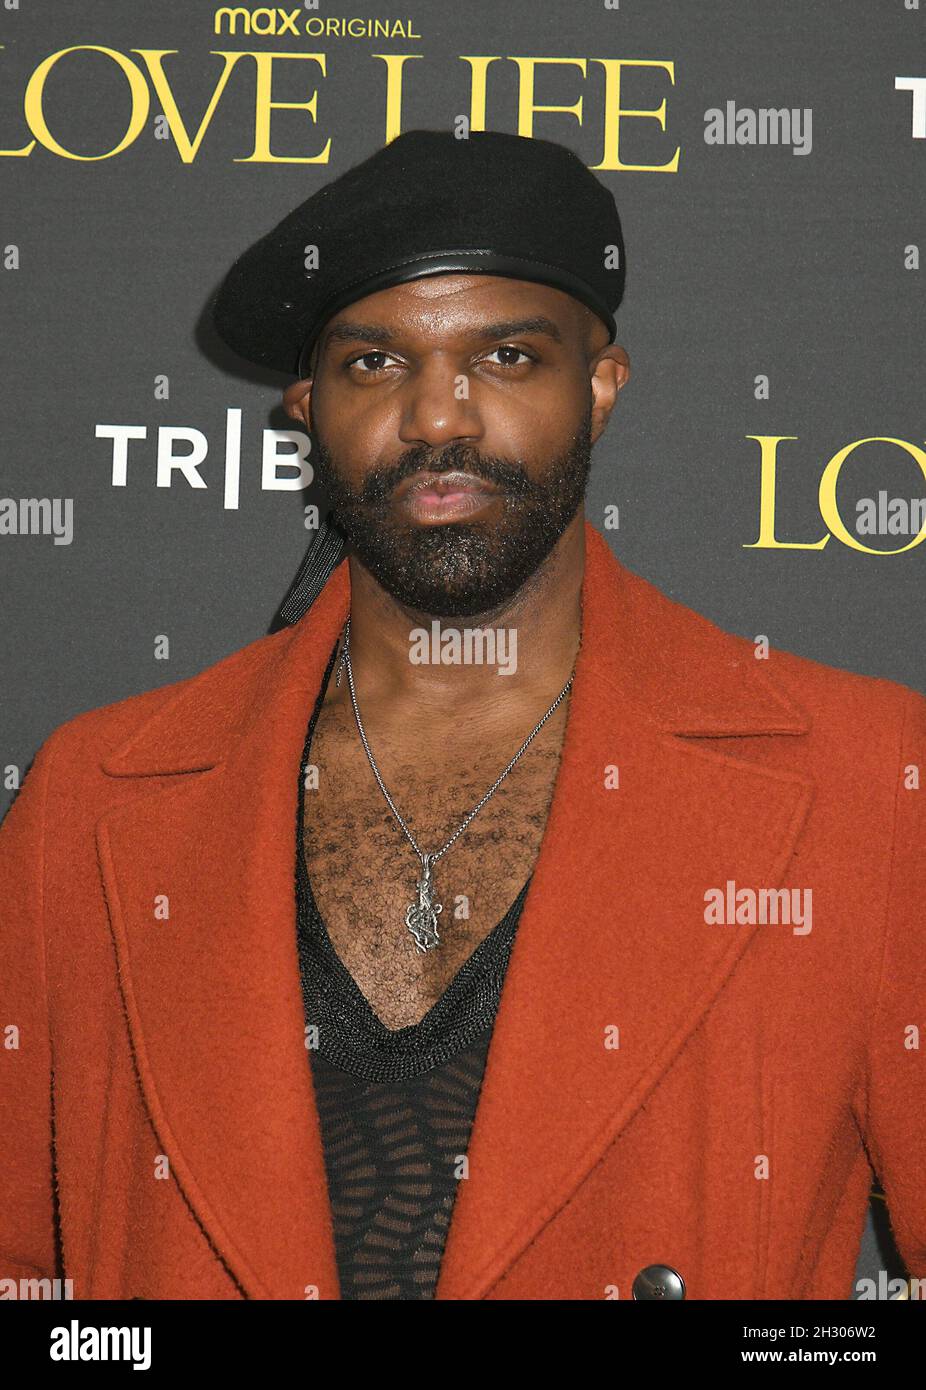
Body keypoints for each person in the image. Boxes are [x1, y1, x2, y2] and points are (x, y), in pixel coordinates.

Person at [0, 129, 923, 1303]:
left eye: (505, 356)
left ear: (599, 383)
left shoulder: (865, 782)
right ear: (304, 406)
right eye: (376, 363)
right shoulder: (97, 797)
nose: (440, 417)